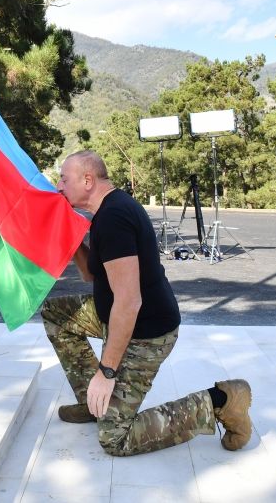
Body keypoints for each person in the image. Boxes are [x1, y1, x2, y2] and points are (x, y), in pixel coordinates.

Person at [43, 150, 252, 456]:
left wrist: (107, 372)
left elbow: (128, 302)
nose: (59, 186)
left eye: (64, 178)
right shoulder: (105, 212)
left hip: (146, 333)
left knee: (115, 439)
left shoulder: (113, 218)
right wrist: (69, 234)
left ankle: (222, 400)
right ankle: (95, 404)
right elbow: (91, 274)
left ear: (87, 180)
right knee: (56, 314)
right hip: (112, 316)